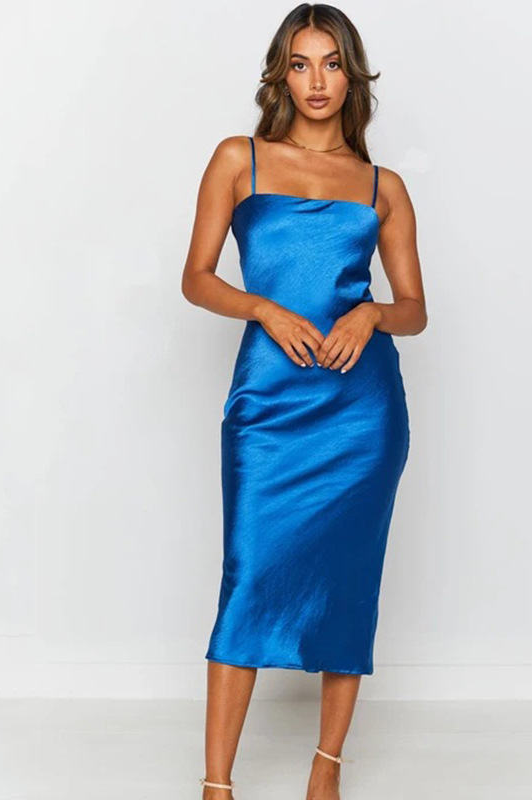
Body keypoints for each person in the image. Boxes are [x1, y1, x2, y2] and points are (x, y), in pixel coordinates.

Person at [181, 4, 427, 798]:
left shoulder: (383, 187)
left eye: (330, 64)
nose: (316, 80)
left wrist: (371, 314)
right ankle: (217, 785)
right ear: (279, 75)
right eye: (299, 63)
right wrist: (263, 307)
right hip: (269, 401)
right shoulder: (239, 159)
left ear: (352, 77)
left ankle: (326, 771)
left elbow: (415, 309)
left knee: (350, 579)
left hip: (361, 411)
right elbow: (196, 278)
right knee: (249, 575)